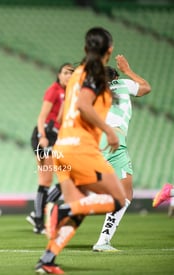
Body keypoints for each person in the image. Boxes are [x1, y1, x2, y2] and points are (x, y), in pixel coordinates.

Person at [34, 27, 127, 274]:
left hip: (62, 148)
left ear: (86, 49)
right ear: (110, 50)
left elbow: (65, 114)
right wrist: (108, 130)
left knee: (81, 208)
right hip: (82, 149)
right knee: (117, 200)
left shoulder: (75, 76)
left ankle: (47, 260)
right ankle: (63, 208)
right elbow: (85, 105)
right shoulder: (95, 75)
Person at [92, 55, 151, 252]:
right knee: (125, 194)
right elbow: (145, 87)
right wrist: (128, 70)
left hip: (98, 141)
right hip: (114, 141)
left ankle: (103, 240)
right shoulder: (123, 84)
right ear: (115, 77)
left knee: (122, 192)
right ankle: (101, 241)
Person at [27, 63, 73, 234]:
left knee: (65, 178)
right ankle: (39, 222)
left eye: (71, 73)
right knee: (46, 179)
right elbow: (42, 117)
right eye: (66, 73)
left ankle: (38, 213)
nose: (69, 76)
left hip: (57, 137)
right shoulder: (54, 90)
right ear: (59, 75)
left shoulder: (68, 93)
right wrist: (43, 136)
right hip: (44, 135)